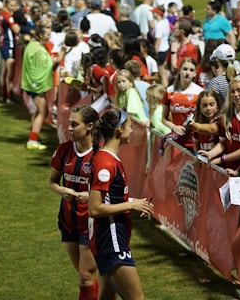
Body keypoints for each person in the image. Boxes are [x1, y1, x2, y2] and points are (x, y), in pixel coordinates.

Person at [88, 108, 153, 300]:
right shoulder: (106, 164)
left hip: (112, 238)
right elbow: (95, 208)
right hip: (111, 241)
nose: (132, 131)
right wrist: (129, 206)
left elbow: (111, 198)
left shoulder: (107, 159)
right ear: (119, 130)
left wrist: (134, 202)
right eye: (130, 127)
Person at [49, 105, 100, 300]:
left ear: (89, 127)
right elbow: (52, 182)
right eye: (69, 124)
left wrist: (91, 196)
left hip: (91, 224)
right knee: (84, 275)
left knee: (86, 277)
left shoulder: (100, 156)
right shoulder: (63, 150)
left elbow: (114, 192)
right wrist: (62, 190)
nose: (69, 128)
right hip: (68, 221)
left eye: (74, 124)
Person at [21, 23, 66, 150]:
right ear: (40, 35)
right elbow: (52, 66)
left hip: (31, 83)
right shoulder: (39, 51)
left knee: (39, 110)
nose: (49, 37)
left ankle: (33, 135)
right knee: (43, 111)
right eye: (47, 35)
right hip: (36, 85)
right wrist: (62, 52)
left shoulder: (33, 45)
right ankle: (32, 140)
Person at [198, 76, 240, 169]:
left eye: (239, 90)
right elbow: (223, 143)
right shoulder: (225, 116)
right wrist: (210, 154)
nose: (236, 94)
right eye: (232, 91)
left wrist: (223, 158)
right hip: (228, 169)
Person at [161, 57, 203, 151]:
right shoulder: (169, 91)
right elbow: (163, 118)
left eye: (191, 70)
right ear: (179, 70)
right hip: (175, 141)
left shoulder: (200, 92)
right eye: (185, 69)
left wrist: (194, 124)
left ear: (195, 73)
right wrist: (174, 127)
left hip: (194, 142)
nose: (187, 73)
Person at [0, 0, 20, 103]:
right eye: (12, 5)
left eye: (15, 5)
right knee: (9, 72)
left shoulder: (1, 14)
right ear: (7, 5)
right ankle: (9, 96)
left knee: (4, 71)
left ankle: (3, 95)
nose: (14, 7)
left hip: (3, 43)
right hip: (8, 44)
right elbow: (16, 29)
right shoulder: (8, 16)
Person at [152, 5, 170, 87]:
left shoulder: (159, 25)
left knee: (162, 75)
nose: (152, 14)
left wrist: (155, 53)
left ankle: (164, 92)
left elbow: (158, 42)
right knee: (166, 73)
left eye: (154, 12)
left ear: (157, 13)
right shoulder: (165, 21)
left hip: (160, 51)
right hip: (166, 48)